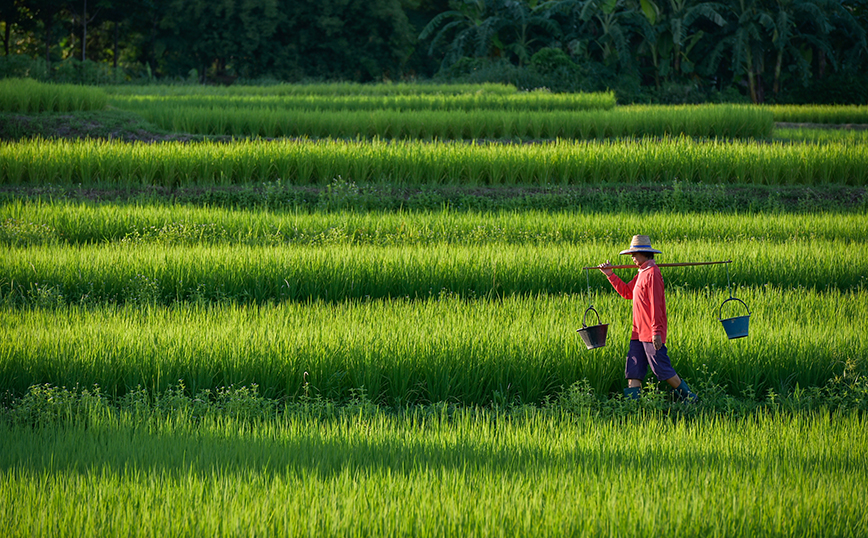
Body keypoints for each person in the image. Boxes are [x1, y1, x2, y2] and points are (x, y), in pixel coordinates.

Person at [597, 235, 697, 402]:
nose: (632, 258)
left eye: (635, 254)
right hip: (637, 332)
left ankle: (690, 398)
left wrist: (656, 332)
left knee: (661, 368)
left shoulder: (652, 273)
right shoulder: (641, 273)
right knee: (633, 368)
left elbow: (657, 304)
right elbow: (627, 293)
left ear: (645, 253)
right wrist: (610, 275)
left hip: (650, 332)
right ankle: (632, 406)